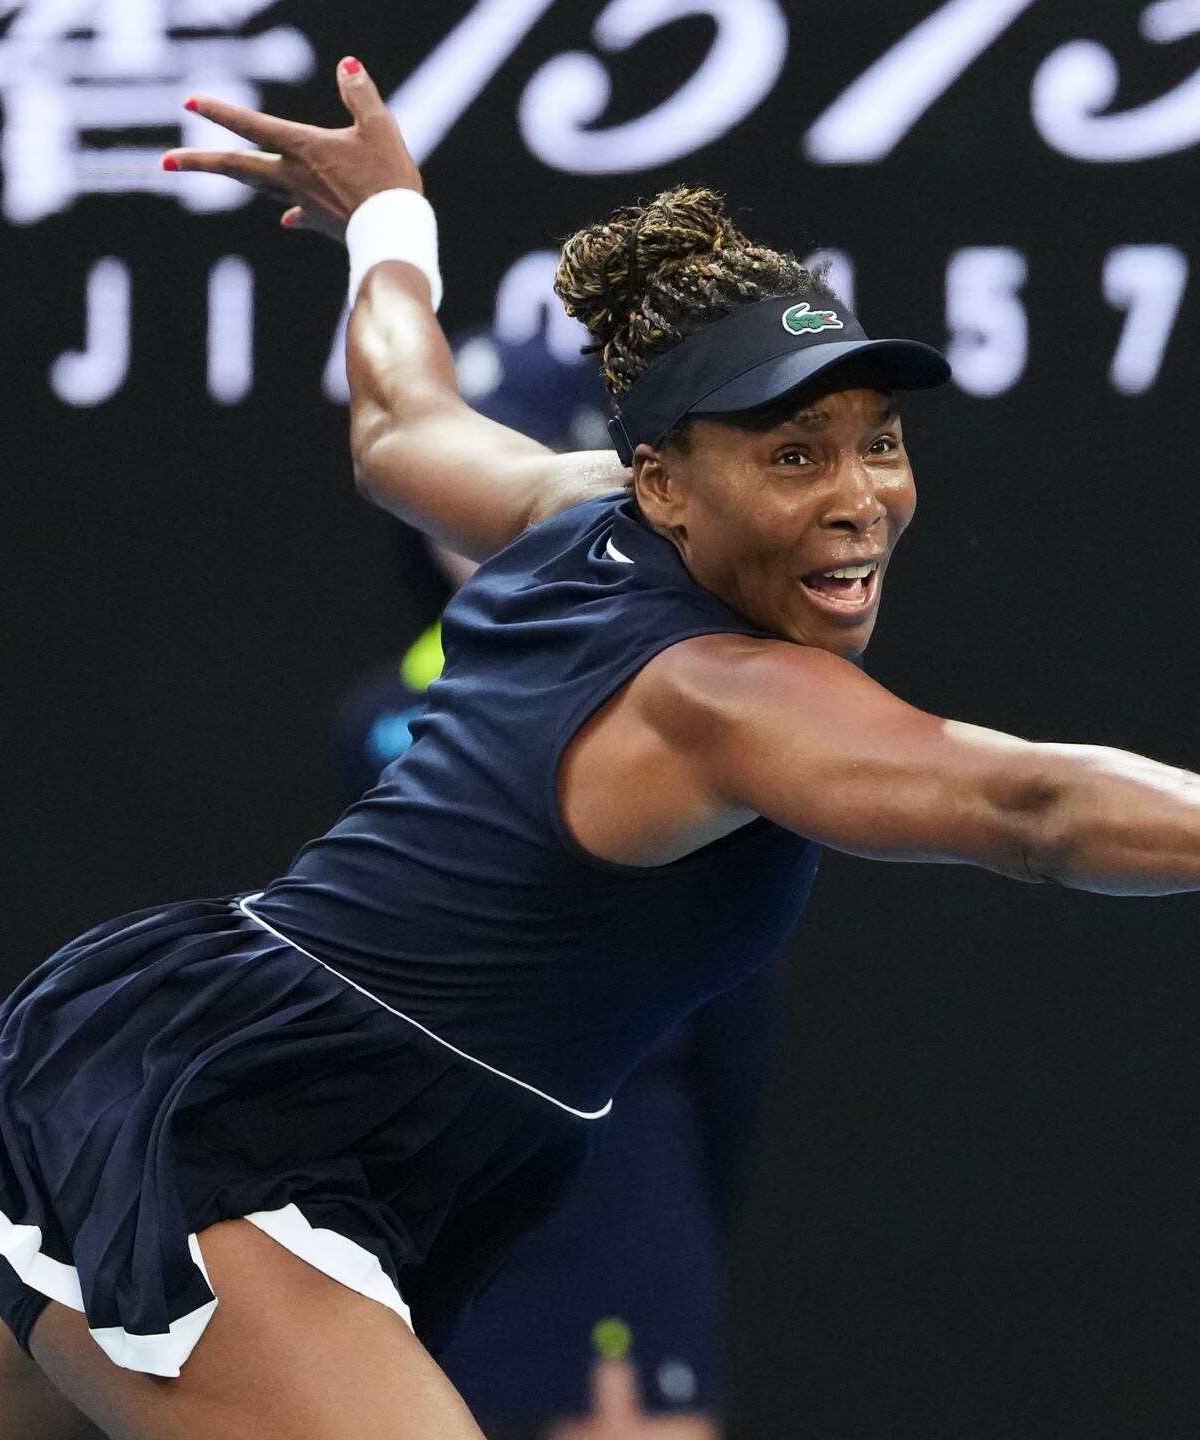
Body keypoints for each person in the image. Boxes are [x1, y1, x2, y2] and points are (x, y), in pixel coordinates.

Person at [0, 57, 1200, 1439]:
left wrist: (390, 225)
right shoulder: (722, 697)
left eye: (878, 445)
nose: (858, 496)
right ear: (666, 478)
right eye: (793, 452)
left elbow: (400, 424)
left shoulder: (569, 518)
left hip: (161, 1051)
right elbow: (1026, 801)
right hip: (222, 1143)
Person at [336, 333, 759, 1437]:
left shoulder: (697, 694)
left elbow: (735, 1017)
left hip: (609, 1185)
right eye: (458, 469)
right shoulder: (374, 718)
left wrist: (658, 1227)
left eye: (513, 464)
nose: (474, 505)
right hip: (436, 1207)